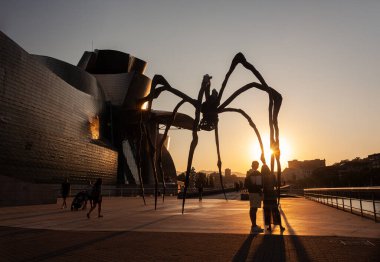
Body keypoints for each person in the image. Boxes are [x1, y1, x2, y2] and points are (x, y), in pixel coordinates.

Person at [262, 164, 285, 231]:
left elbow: (262, 186)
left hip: (266, 196)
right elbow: (276, 184)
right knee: (275, 211)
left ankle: (269, 226)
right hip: (272, 195)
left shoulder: (263, 177)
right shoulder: (272, 176)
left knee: (267, 212)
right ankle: (280, 226)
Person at [245, 161, 264, 233]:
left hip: (252, 192)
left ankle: (254, 225)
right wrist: (259, 190)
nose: (257, 166)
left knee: (253, 208)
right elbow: (259, 184)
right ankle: (254, 226)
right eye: (257, 165)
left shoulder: (248, 173)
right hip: (255, 193)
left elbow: (247, 184)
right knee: (254, 209)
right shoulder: (256, 173)